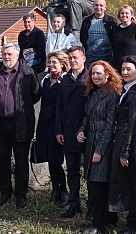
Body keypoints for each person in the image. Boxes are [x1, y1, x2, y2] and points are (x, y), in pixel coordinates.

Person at [0, 43, 42, 208]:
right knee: (2, 160)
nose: (6, 57)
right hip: (0, 123)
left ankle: (21, 195)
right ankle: (5, 192)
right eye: (4, 54)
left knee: (21, 161)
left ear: (17, 55)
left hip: (20, 122)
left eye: (9, 54)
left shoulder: (27, 73)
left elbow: (35, 94)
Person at [109, 56, 136, 234]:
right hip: (124, 139)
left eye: (129, 69)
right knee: (129, 182)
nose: (125, 72)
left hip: (132, 143)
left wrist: (126, 151)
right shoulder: (128, 89)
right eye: (123, 69)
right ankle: (133, 222)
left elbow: (134, 124)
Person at [77, 61, 121, 234]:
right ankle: (108, 219)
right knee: (94, 185)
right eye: (93, 73)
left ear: (107, 75)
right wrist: (81, 131)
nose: (95, 76)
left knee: (99, 187)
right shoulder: (93, 93)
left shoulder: (112, 95)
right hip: (90, 144)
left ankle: (99, 225)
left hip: (103, 147)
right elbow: (87, 117)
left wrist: (99, 151)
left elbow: (110, 125)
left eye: (98, 73)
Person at [55, 45, 89, 218]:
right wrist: (59, 130)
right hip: (68, 132)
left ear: (83, 58)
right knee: (72, 170)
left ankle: (92, 206)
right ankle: (74, 204)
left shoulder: (90, 78)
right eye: (70, 58)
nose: (73, 61)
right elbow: (59, 106)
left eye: (76, 57)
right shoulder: (65, 79)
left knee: (90, 173)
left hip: (86, 133)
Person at [32, 51, 69, 206]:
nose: (51, 65)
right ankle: (55, 189)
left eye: (54, 62)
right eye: (50, 62)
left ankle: (64, 190)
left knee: (56, 158)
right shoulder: (45, 79)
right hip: (45, 121)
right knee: (48, 156)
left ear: (62, 64)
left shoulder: (66, 80)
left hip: (58, 122)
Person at [111, 5, 136, 71]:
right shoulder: (115, 30)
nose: (124, 15)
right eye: (122, 13)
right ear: (119, 15)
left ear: (131, 15)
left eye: (127, 13)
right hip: (118, 66)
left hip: (133, 67)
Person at [80, 0, 118, 65]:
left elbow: (116, 39)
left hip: (107, 58)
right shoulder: (87, 21)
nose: (98, 7)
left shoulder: (111, 21)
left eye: (101, 5)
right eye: (96, 5)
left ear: (105, 7)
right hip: (89, 58)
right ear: (93, 6)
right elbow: (82, 38)